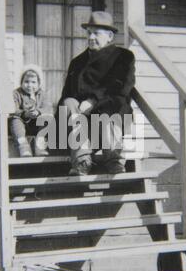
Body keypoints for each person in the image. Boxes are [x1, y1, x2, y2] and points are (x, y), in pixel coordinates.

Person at [58, 11, 135, 176]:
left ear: (109, 36)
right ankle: (82, 161)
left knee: (111, 109)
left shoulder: (123, 57)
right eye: (89, 33)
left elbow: (121, 87)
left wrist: (93, 100)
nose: (91, 37)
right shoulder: (77, 62)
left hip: (109, 113)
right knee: (68, 102)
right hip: (81, 123)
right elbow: (67, 94)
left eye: (96, 33)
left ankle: (114, 160)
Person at [9, 65, 53, 157]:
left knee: (47, 119)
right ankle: (24, 148)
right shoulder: (16, 93)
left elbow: (48, 108)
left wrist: (38, 112)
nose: (30, 85)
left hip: (37, 126)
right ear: (21, 82)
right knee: (15, 120)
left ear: (39, 83)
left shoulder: (42, 94)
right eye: (26, 82)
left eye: (33, 82)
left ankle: (40, 146)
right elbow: (13, 110)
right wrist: (25, 113)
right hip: (21, 125)